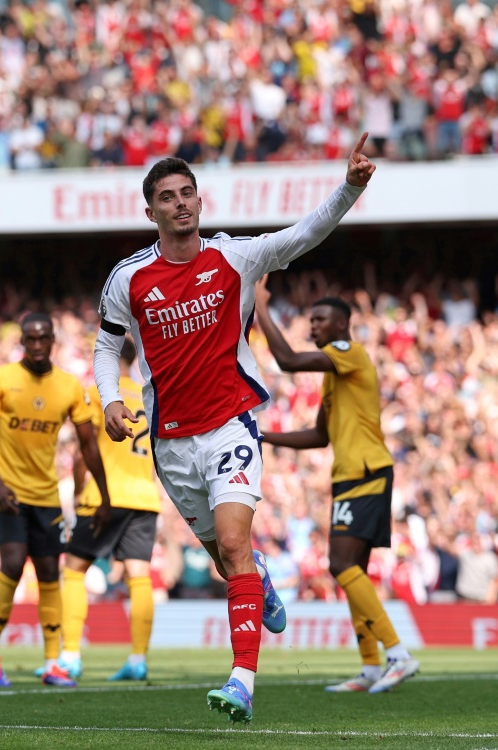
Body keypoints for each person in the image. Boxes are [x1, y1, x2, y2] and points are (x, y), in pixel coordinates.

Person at [93, 135, 375, 724]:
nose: (180, 204)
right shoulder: (129, 277)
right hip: (169, 441)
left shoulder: (235, 257)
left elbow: (303, 233)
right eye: (167, 198)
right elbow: (106, 343)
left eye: (187, 193)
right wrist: (111, 400)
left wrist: (349, 187)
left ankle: (242, 681)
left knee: (234, 542)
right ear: (150, 212)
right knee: (229, 560)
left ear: (200, 200)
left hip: (230, 424)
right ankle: (259, 581)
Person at [253, 279, 420, 694]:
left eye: (320, 320)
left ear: (343, 325)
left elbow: (289, 359)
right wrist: (263, 436)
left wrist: (259, 308)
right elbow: (319, 436)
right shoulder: (335, 375)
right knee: (353, 570)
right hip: (350, 475)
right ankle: (368, 667)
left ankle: (398, 654)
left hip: (365, 472)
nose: (313, 326)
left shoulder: (348, 352)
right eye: (310, 320)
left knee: (341, 565)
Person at [0, 312, 112, 688]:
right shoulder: (0, 379)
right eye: (30, 339)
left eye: (43, 339)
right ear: (21, 341)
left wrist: (104, 493)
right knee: (15, 564)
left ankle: (53, 663)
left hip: (47, 496)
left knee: (51, 573)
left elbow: (88, 443)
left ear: (53, 340)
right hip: (8, 493)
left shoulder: (68, 386)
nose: (36, 346)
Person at [54, 337, 162, 681]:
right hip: (144, 496)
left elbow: (87, 449)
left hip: (105, 496)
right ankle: (138, 659)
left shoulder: (102, 392)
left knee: (73, 570)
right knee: (139, 577)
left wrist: (79, 494)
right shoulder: (151, 395)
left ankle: (70, 655)